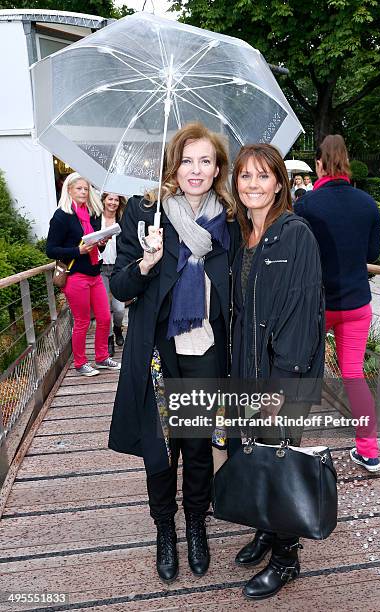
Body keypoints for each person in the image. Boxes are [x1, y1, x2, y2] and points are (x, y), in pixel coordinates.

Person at [108, 122, 240, 583]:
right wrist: (146, 261)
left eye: (206, 160)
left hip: (206, 348)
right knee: (161, 449)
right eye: (187, 160)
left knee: (199, 447)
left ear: (218, 167)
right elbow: (120, 287)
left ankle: (196, 524)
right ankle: (165, 528)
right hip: (158, 351)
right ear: (174, 165)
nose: (196, 170)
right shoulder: (146, 213)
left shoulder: (229, 220)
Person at [229, 144, 324, 601]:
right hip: (248, 371)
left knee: (280, 461)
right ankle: (267, 531)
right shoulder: (244, 235)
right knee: (257, 458)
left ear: (280, 183)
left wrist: (280, 387)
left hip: (282, 377)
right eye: (245, 176)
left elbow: (303, 315)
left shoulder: (295, 234)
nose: (252, 184)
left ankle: (287, 558)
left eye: (262, 176)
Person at [295, 134, 380, 472]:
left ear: (319, 164)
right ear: (346, 162)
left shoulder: (306, 205)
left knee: (302, 373)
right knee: (354, 375)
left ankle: (289, 447)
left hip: (318, 305)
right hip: (357, 303)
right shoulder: (367, 203)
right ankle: (369, 451)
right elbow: (372, 255)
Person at [46, 172, 121, 376]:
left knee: (105, 318)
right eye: (79, 188)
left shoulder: (91, 214)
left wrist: (102, 242)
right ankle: (80, 363)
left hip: (95, 274)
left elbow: (95, 246)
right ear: (69, 190)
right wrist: (76, 251)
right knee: (82, 321)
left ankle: (102, 358)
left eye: (86, 189)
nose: (83, 192)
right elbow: (50, 249)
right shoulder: (61, 216)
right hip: (75, 276)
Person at [100, 192, 127, 356]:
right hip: (100, 268)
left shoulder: (122, 220)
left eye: (116, 200)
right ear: (103, 200)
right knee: (104, 308)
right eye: (110, 199)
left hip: (118, 268)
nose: (113, 202)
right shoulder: (96, 219)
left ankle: (118, 329)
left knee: (119, 308)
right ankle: (108, 339)